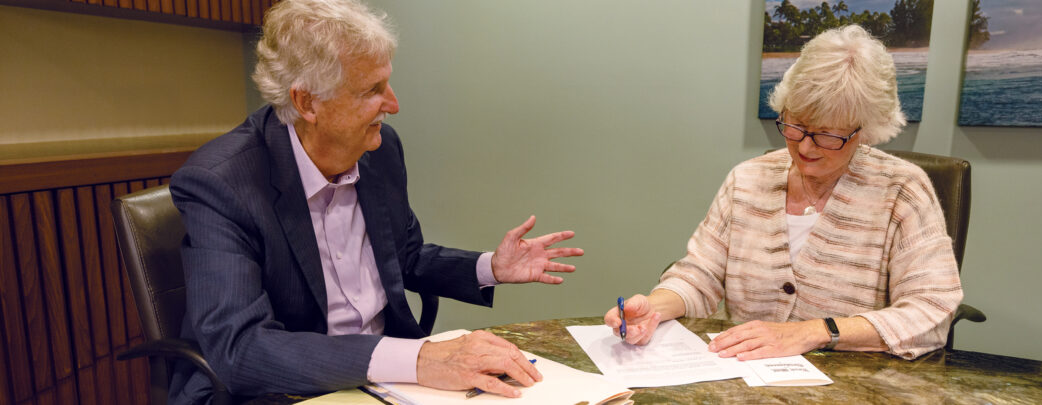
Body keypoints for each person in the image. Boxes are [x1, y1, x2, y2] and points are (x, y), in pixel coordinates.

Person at [167, 0, 582, 402]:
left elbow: (406, 257)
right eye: (373, 90)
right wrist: (417, 359)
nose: (394, 105)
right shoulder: (221, 184)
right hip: (285, 390)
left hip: (385, 382)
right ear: (307, 102)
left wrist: (489, 267)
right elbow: (242, 350)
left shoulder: (379, 151)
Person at [604, 25, 963, 361]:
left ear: (865, 131)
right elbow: (701, 274)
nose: (806, 146)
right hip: (747, 379)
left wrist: (816, 332)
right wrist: (655, 308)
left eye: (827, 134)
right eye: (796, 126)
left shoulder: (902, 191)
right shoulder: (747, 180)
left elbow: (931, 314)